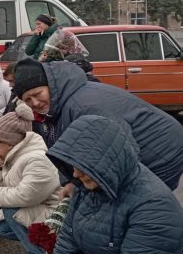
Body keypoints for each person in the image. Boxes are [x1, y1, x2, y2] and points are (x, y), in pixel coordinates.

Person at [35, 115, 183, 254]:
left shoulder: (153, 204)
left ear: (104, 162)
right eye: (72, 164)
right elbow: (68, 243)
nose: (75, 174)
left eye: (81, 166)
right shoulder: (89, 187)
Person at [13, 58, 183, 190]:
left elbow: (121, 152)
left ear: (50, 85)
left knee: (141, 207)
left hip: (160, 152)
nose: (34, 103)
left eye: (37, 93)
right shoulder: (61, 106)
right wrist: (73, 182)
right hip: (151, 148)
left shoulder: (82, 106)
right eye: (27, 99)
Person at [0, 101, 60, 254]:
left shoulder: (36, 159)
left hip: (53, 214)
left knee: (10, 209)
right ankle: (41, 247)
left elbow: (23, 196)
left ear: (9, 142)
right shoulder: (15, 154)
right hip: (38, 210)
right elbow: (3, 187)